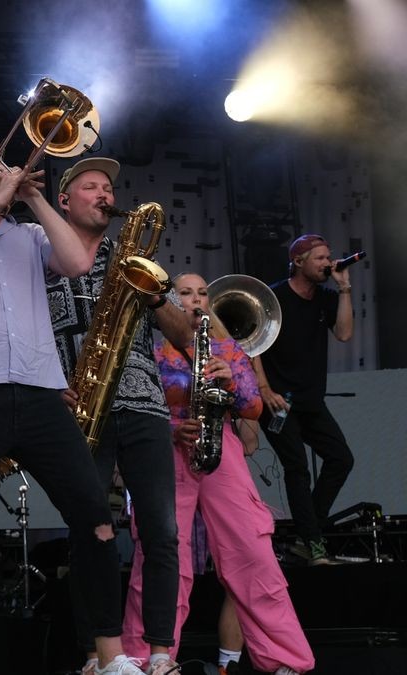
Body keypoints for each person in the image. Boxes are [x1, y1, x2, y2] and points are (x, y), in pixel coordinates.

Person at [0, 132, 147, 675]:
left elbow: (75, 263)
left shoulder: (32, 234)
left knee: (96, 519)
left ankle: (107, 656)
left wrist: (34, 195)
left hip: (41, 394)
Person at [121, 272, 314, 675]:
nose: (195, 300)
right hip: (168, 449)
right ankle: (148, 659)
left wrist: (231, 381)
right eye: (185, 293)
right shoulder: (149, 345)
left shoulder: (227, 347)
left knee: (252, 552)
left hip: (220, 446)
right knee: (161, 554)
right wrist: (172, 429)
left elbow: (253, 408)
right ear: (170, 299)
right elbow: (133, 405)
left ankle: (285, 661)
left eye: (202, 293)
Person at [46, 157, 194, 675]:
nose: (104, 194)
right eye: (91, 186)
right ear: (65, 199)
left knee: (161, 531)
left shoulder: (133, 256)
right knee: (90, 531)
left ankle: (159, 652)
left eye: (109, 187)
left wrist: (156, 297)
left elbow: (182, 335)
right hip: (78, 406)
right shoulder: (41, 254)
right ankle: (96, 653)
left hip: (144, 405)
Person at [251, 234, 355, 565]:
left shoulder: (326, 297)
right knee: (297, 468)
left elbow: (344, 333)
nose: (328, 263)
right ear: (299, 261)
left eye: (329, 257)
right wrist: (265, 390)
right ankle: (313, 543)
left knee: (341, 459)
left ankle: (308, 532)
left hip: (310, 401)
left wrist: (344, 288)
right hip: (278, 403)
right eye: (321, 258)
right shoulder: (275, 297)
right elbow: (252, 344)